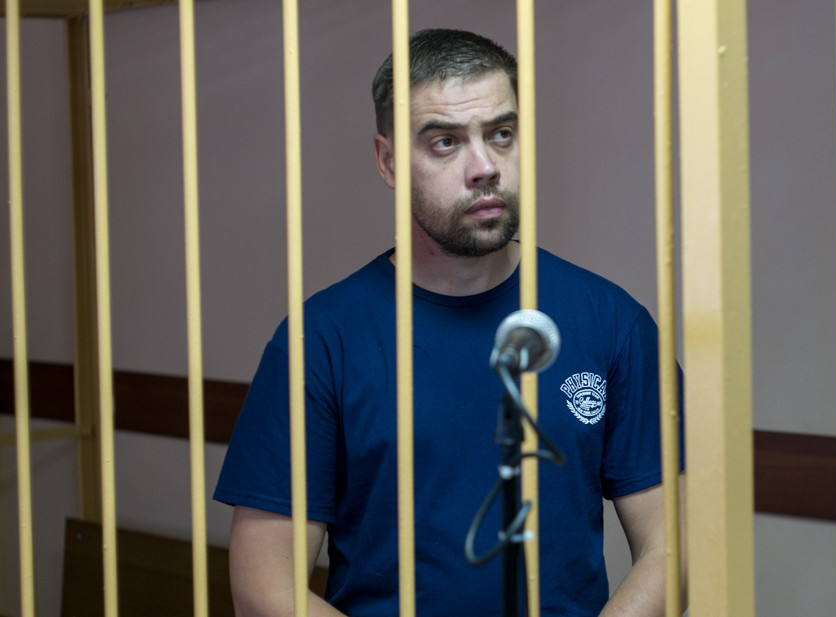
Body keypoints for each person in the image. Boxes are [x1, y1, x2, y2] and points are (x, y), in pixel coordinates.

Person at [214, 28, 686, 617]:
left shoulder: (611, 322)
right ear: (388, 161)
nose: (484, 167)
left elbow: (673, 549)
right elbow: (264, 589)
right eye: (445, 143)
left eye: (501, 134)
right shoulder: (321, 342)